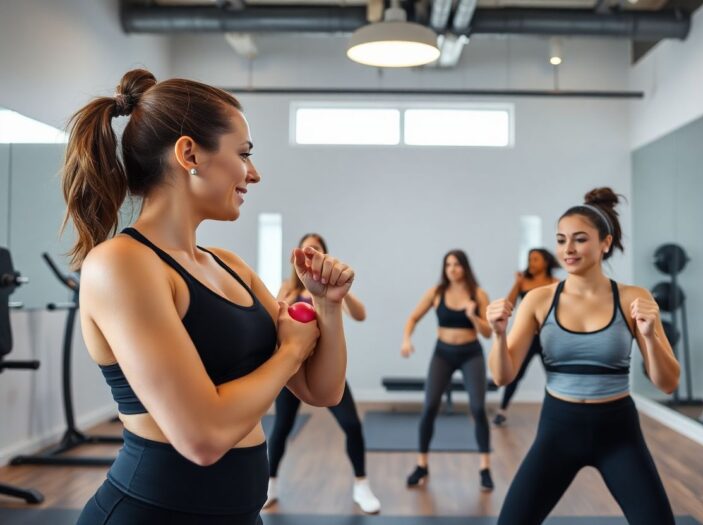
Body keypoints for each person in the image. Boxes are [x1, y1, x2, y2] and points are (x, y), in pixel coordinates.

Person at [65, 69, 353, 525]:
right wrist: (292, 351)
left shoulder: (230, 266)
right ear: (189, 153)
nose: (253, 174)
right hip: (152, 515)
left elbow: (323, 390)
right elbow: (202, 437)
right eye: (244, 154)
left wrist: (328, 305)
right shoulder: (121, 264)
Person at [487, 188, 680, 525]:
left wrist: (649, 336)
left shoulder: (633, 298)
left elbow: (668, 384)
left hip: (618, 433)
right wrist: (498, 334)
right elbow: (503, 377)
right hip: (558, 430)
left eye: (579, 239)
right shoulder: (538, 300)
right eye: (561, 240)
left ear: (605, 243)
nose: (568, 250)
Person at [265, 233, 380, 514]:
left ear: (325, 255)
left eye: (316, 249)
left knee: (352, 425)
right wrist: (289, 297)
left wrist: (341, 292)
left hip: (326, 369)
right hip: (292, 370)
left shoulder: (332, 287)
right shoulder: (287, 289)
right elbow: (273, 322)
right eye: (306, 249)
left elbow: (361, 314)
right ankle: (271, 484)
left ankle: (361, 484)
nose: (311, 252)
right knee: (281, 428)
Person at [401, 250, 494, 491]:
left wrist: (473, 315)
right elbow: (413, 318)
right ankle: (422, 465)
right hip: (443, 353)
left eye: (457, 264)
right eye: (448, 264)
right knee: (430, 406)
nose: (452, 269)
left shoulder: (479, 294)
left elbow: (487, 333)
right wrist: (406, 340)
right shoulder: (436, 293)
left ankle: (485, 467)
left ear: (465, 267)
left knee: (477, 408)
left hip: (471, 353)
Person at [492, 248, 559, 426]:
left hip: (548, 338)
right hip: (527, 338)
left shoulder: (555, 283)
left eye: (536, 259)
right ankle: (502, 410)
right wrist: (517, 283)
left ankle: (558, 412)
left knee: (554, 376)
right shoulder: (523, 283)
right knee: (515, 373)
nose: (531, 263)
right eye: (530, 259)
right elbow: (509, 305)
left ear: (546, 262)